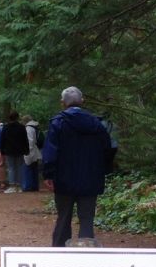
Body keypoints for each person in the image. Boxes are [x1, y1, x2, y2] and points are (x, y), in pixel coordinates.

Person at [44, 86, 111, 246]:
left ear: (62, 103)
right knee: (87, 218)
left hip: (63, 178)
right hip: (91, 177)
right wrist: (103, 170)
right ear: (82, 101)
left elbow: (51, 151)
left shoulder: (57, 123)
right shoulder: (97, 124)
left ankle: (59, 253)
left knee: (63, 217)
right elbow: (107, 149)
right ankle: (85, 255)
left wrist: (48, 174)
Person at [0, 110, 28, 192]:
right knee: (19, 167)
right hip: (19, 150)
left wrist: (2, 151)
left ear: (9, 118)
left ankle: (12, 186)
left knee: (11, 168)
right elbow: (25, 139)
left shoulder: (6, 127)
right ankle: (19, 186)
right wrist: (26, 150)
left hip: (9, 150)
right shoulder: (22, 127)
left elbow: (2, 139)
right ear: (17, 117)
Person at [22, 116, 42, 191]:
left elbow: (30, 141)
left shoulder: (28, 128)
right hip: (35, 151)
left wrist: (26, 151)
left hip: (30, 151)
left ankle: (28, 186)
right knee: (34, 169)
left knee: (28, 168)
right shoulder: (35, 127)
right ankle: (34, 186)